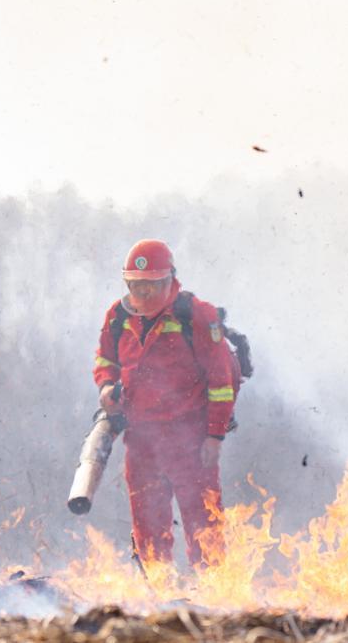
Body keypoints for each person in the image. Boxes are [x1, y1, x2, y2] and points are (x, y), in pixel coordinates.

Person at [92, 238, 239, 567]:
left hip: (191, 439)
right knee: (147, 525)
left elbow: (221, 382)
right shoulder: (117, 317)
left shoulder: (197, 317)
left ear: (169, 281)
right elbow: (105, 360)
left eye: (149, 288)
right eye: (134, 286)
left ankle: (214, 596)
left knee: (204, 524)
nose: (141, 296)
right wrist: (105, 387)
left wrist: (214, 436)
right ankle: (156, 597)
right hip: (141, 440)